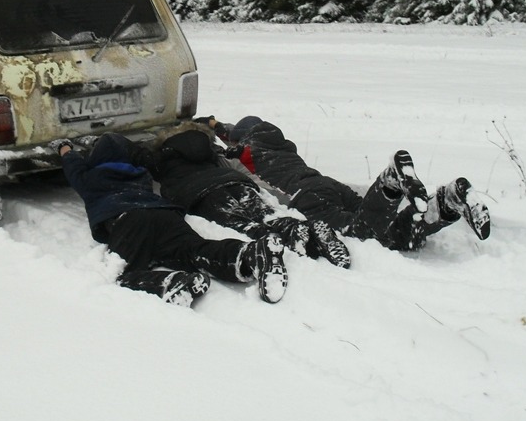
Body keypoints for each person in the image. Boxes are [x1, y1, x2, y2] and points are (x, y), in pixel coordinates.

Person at [52, 132, 288, 306]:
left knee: (122, 273)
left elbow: (73, 166)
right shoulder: (141, 175)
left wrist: (65, 147)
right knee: (195, 250)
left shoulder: (91, 179)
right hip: (165, 214)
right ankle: (249, 255)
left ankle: (172, 283)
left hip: (127, 219)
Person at [212, 116, 491, 252]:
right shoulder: (281, 145)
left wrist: (218, 146)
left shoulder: (245, 153)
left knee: (363, 234)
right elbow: (230, 131)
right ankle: (447, 203)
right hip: (329, 185)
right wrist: (216, 126)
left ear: (243, 138)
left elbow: (225, 151)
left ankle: (391, 184)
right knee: (388, 232)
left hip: (304, 197)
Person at [129, 122, 351, 269]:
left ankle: (287, 240)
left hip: (200, 193)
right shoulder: (208, 149)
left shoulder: (163, 156)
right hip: (233, 181)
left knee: (242, 223)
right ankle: (296, 228)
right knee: (266, 212)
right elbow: (228, 154)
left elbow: (138, 160)